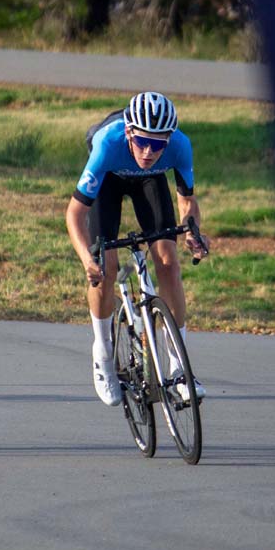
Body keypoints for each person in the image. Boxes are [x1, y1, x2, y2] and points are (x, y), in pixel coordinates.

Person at [64, 91, 210, 407]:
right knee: (106, 269)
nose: (148, 151)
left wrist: (192, 231)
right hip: (109, 180)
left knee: (168, 261)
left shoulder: (180, 146)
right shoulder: (108, 143)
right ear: (129, 132)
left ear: (168, 140)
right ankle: (102, 354)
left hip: (150, 181)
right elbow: (75, 212)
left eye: (158, 145)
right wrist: (86, 257)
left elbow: (187, 200)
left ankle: (180, 370)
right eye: (142, 141)